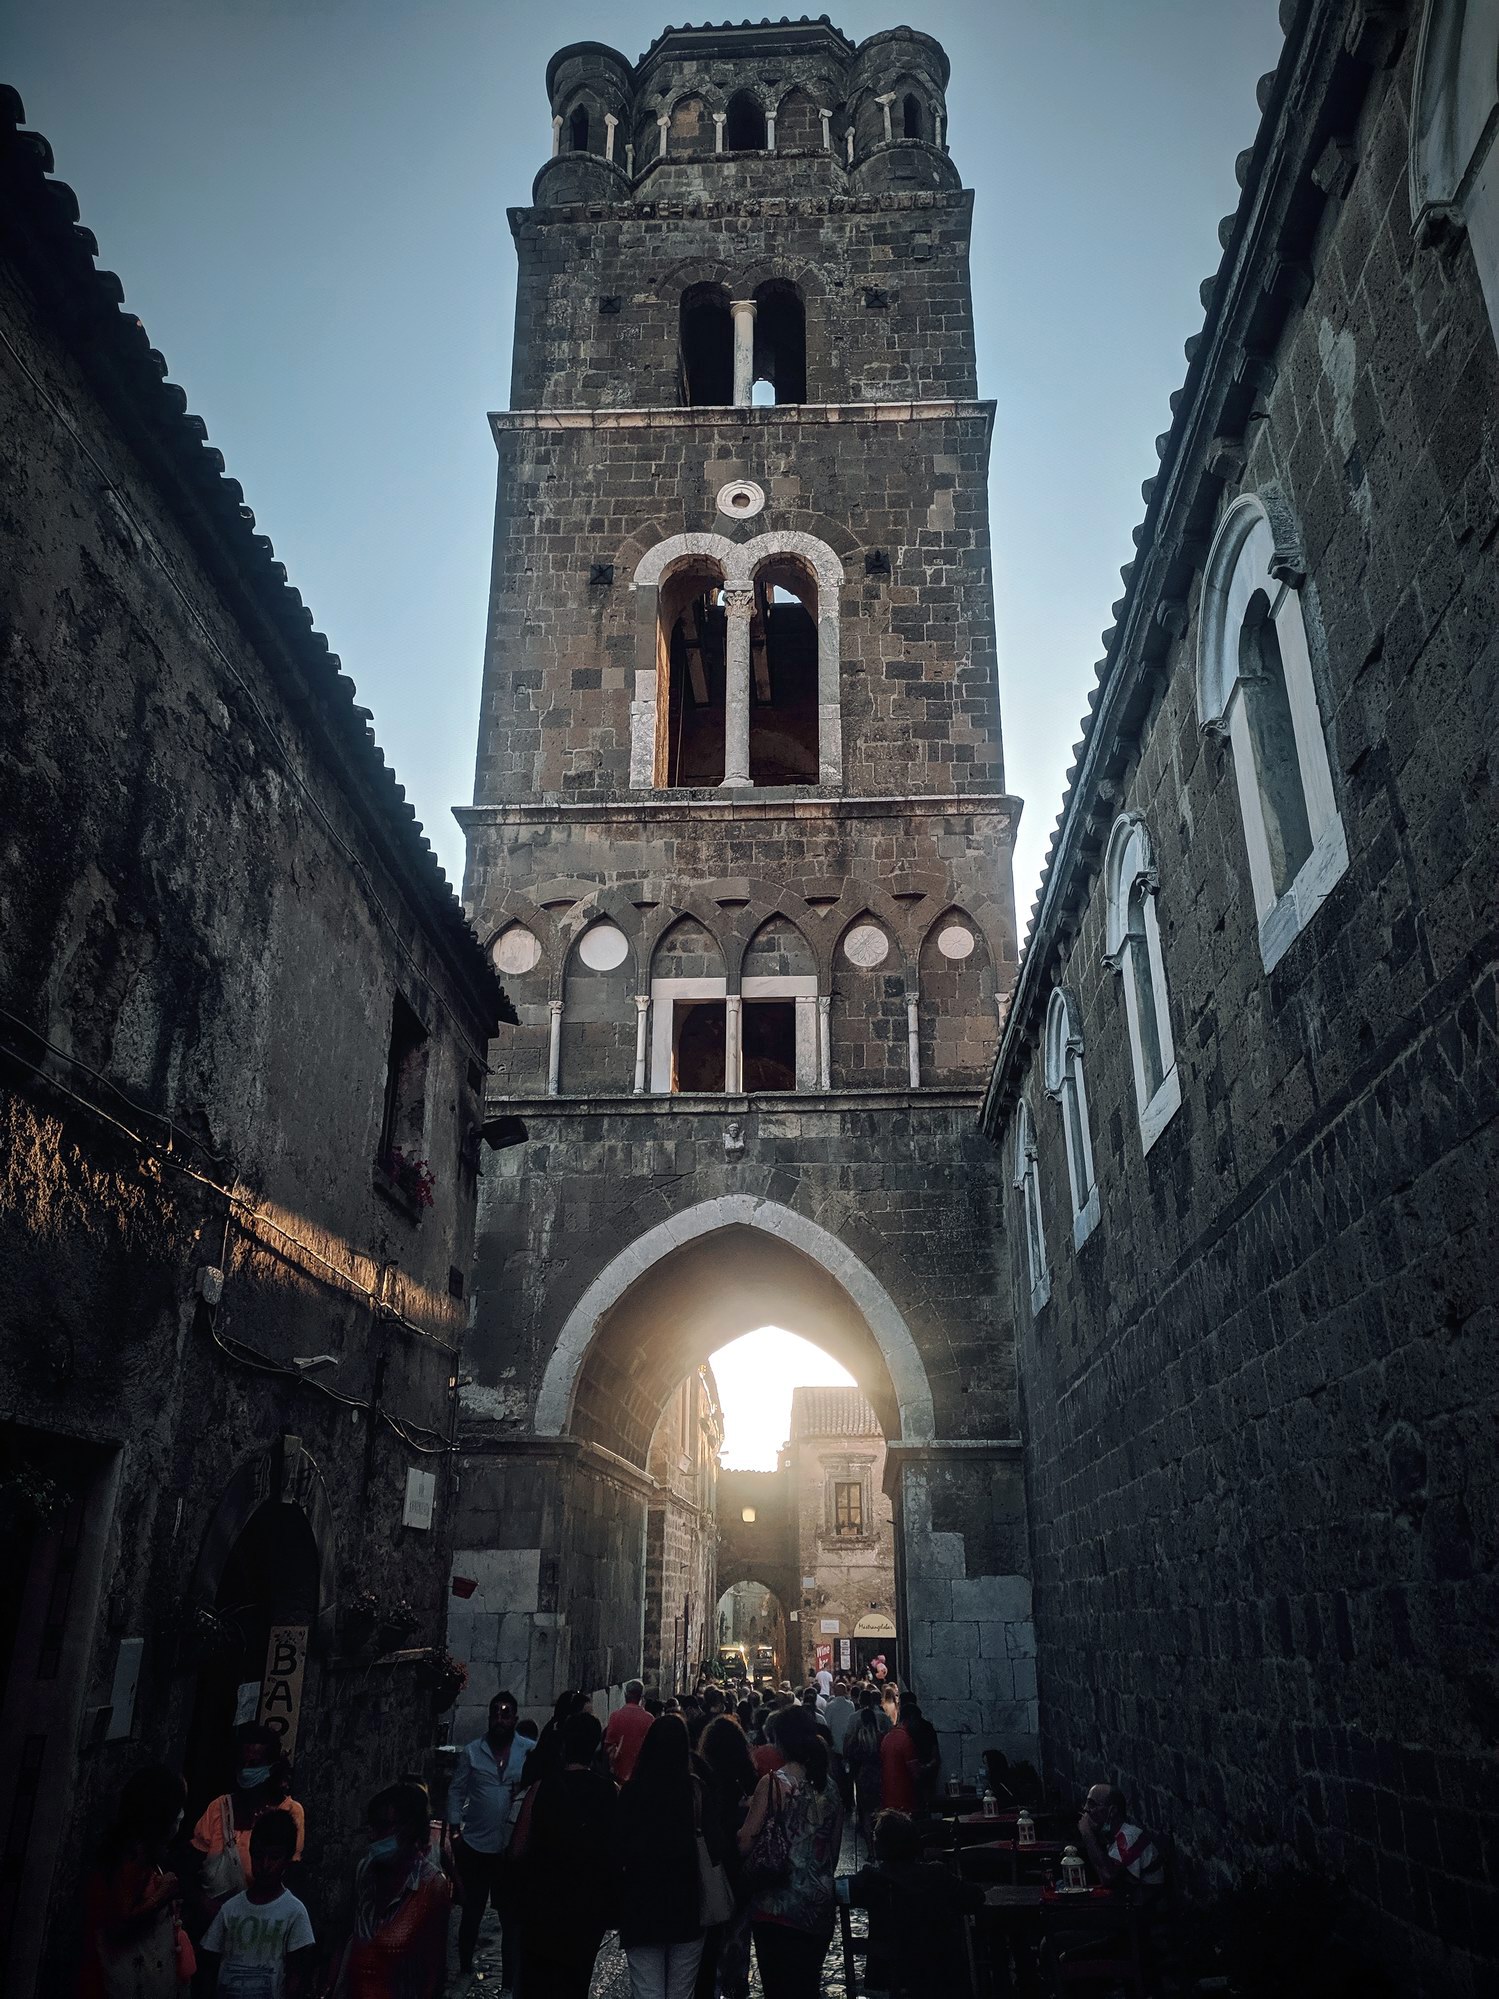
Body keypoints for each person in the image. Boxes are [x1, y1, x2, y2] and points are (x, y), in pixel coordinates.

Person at [511, 1712, 619, 1998]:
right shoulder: (610, 1792)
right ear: (596, 1745)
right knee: (575, 1982)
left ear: (563, 1745)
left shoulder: (542, 1788)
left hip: (543, 1905)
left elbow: (518, 1847)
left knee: (537, 1983)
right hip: (586, 1908)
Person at [738, 1704, 843, 1998]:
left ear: (780, 1741)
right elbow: (832, 1852)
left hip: (777, 1906)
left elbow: (747, 1840)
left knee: (778, 1988)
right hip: (818, 1904)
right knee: (808, 1985)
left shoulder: (773, 1784)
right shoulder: (831, 1789)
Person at [616, 1714, 717, 1999]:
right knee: (680, 1992)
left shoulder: (633, 1793)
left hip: (642, 1905)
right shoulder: (695, 1791)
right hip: (686, 1906)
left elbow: (617, 1847)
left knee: (647, 1990)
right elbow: (715, 1846)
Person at [79, 1766, 193, 1999]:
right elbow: (120, 1923)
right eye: (177, 1807)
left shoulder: (143, 1853)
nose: (181, 1814)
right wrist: (163, 1895)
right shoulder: (133, 1857)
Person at [846, 1808, 983, 1998]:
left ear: (880, 1846)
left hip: (889, 1975)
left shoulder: (871, 1881)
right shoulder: (937, 1876)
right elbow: (975, 1898)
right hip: (938, 1972)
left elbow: (838, 1891)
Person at [336, 1782, 450, 1999]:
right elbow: (343, 1939)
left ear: (409, 1828)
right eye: (372, 1827)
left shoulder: (431, 1886)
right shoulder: (364, 1871)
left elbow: (434, 1972)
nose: (373, 1836)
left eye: (383, 1827)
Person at [447, 1689, 529, 1980]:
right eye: (495, 1713)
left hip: (509, 1849)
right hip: (477, 1846)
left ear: (514, 1718)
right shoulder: (472, 1752)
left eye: (505, 1714)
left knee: (510, 1919)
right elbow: (456, 1791)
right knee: (472, 1911)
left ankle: (509, 1979)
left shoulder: (528, 1750)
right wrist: (455, 1831)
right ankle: (466, 1968)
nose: (499, 1719)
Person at [190, 1722, 305, 1918]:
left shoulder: (290, 1812)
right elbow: (190, 1864)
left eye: (254, 1765)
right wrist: (202, 1902)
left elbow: (290, 1874)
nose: (245, 1771)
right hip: (213, 1918)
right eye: (242, 1764)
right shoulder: (220, 1808)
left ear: (272, 1768)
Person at [199, 1809, 315, 1997]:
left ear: (287, 1860)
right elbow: (210, 1965)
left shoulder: (294, 1912)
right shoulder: (231, 1909)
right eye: (258, 1856)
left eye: (274, 1857)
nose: (265, 1865)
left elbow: (296, 1977)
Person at [693, 1717, 758, 1999]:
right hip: (739, 1863)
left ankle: (709, 1985)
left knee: (710, 1935)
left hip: (711, 1864)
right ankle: (736, 1984)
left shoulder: (704, 1779)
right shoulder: (747, 1781)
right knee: (738, 1933)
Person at [1077, 1784, 1164, 1893]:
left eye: (1092, 1804)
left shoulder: (1129, 1836)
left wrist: (1087, 1833)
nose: (1086, 1809)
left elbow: (1108, 1877)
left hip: (1145, 1905)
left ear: (1112, 1811)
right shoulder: (1112, 1837)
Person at [843, 1689, 888, 1845]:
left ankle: (870, 1847)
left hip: (863, 1774)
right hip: (879, 1774)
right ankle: (881, 1840)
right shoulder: (881, 1737)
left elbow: (848, 1750)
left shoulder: (858, 1737)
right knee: (879, 1807)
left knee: (865, 1810)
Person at [900, 1696, 942, 1813]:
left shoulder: (922, 1729)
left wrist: (925, 1767)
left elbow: (935, 1754)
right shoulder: (906, 1732)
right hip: (917, 1775)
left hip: (922, 1776)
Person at [878, 1695, 918, 1815]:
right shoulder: (906, 1739)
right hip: (904, 1798)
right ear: (910, 1719)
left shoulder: (888, 1737)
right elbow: (915, 1773)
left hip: (888, 1797)